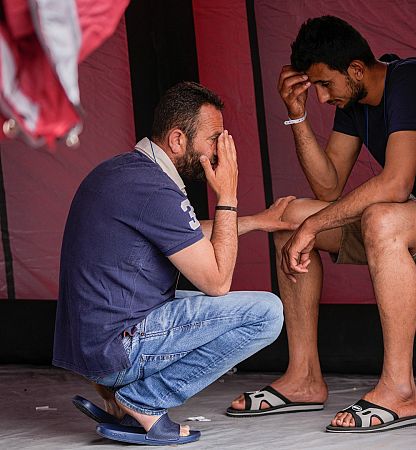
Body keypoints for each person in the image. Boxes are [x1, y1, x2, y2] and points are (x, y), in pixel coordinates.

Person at [226, 16, 416, 432]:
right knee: (292, 221)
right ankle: (303, 378)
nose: (323, 97)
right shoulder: (354, 101)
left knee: (380, 218)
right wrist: (297, 116)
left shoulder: (411, 80)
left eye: (325, 85)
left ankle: (400, 390)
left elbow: (396, 183)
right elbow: (328, 187)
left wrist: (316, 226)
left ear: (357, 70)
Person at [53, 82, 293, 445]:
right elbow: (216, 281)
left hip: (94, 347)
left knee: (197, 301)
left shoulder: (122, 173)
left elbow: (184, 234)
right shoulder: (153, 188)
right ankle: (145, 400)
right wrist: (228, 194)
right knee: (267, 313)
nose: (219, 151)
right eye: (214, 139)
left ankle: (120, 402)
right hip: (118, 347)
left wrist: (258, 221)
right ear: (178, 140)